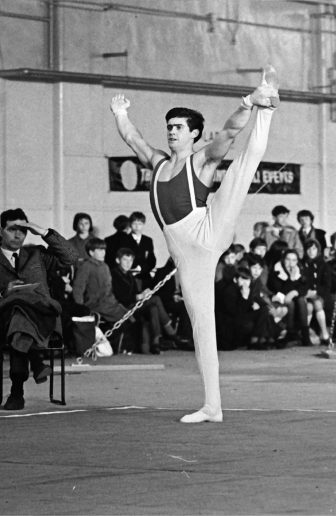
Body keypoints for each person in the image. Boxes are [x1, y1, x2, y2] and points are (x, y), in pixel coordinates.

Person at [111, 65, 279, 423]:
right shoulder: (157, 164)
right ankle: (212, 406)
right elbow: (133, 139)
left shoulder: (202, 159)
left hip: (209, 227)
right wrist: (120, 112)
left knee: (242, 167)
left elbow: (232, 131)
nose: (171, 132)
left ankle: (267, 105)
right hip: (186, 254)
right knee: (202, 325)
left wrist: (249, 102)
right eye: (169, 127)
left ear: (195, 134)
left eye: (178, 128)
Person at [0, 208, 78, 410]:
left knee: (19, 316)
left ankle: (18, 391)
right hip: (3, 323)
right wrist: (4, 293)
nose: (18, 234)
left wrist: (44, 232)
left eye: (23, 229)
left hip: (44, 318)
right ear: (0, 230)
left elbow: (72, 258)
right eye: (12, 229)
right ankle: (35, 365)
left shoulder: (37, 254)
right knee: (17, 312)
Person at [111, 247, 180, 354]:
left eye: (130, 260)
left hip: (133, 304)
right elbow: (119, 296)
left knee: (153, 308)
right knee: (156, 299)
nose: (128, 263)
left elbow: (135, 292)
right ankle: (170, 332)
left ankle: (155, 343)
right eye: (125, 260)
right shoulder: (114, 274)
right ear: (117, 260)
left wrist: (144, 293)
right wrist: (138, 297)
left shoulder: (129, 275)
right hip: (124, 307)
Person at [126, 211, 157, 289]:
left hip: (145, 276)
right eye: (134, 224)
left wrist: (141, 269)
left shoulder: (148, 240)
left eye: (139, 224)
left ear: (143, 225)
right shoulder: (124, 239)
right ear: (130, 224)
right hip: (129, 276)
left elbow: (152, 260)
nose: (137, 226)